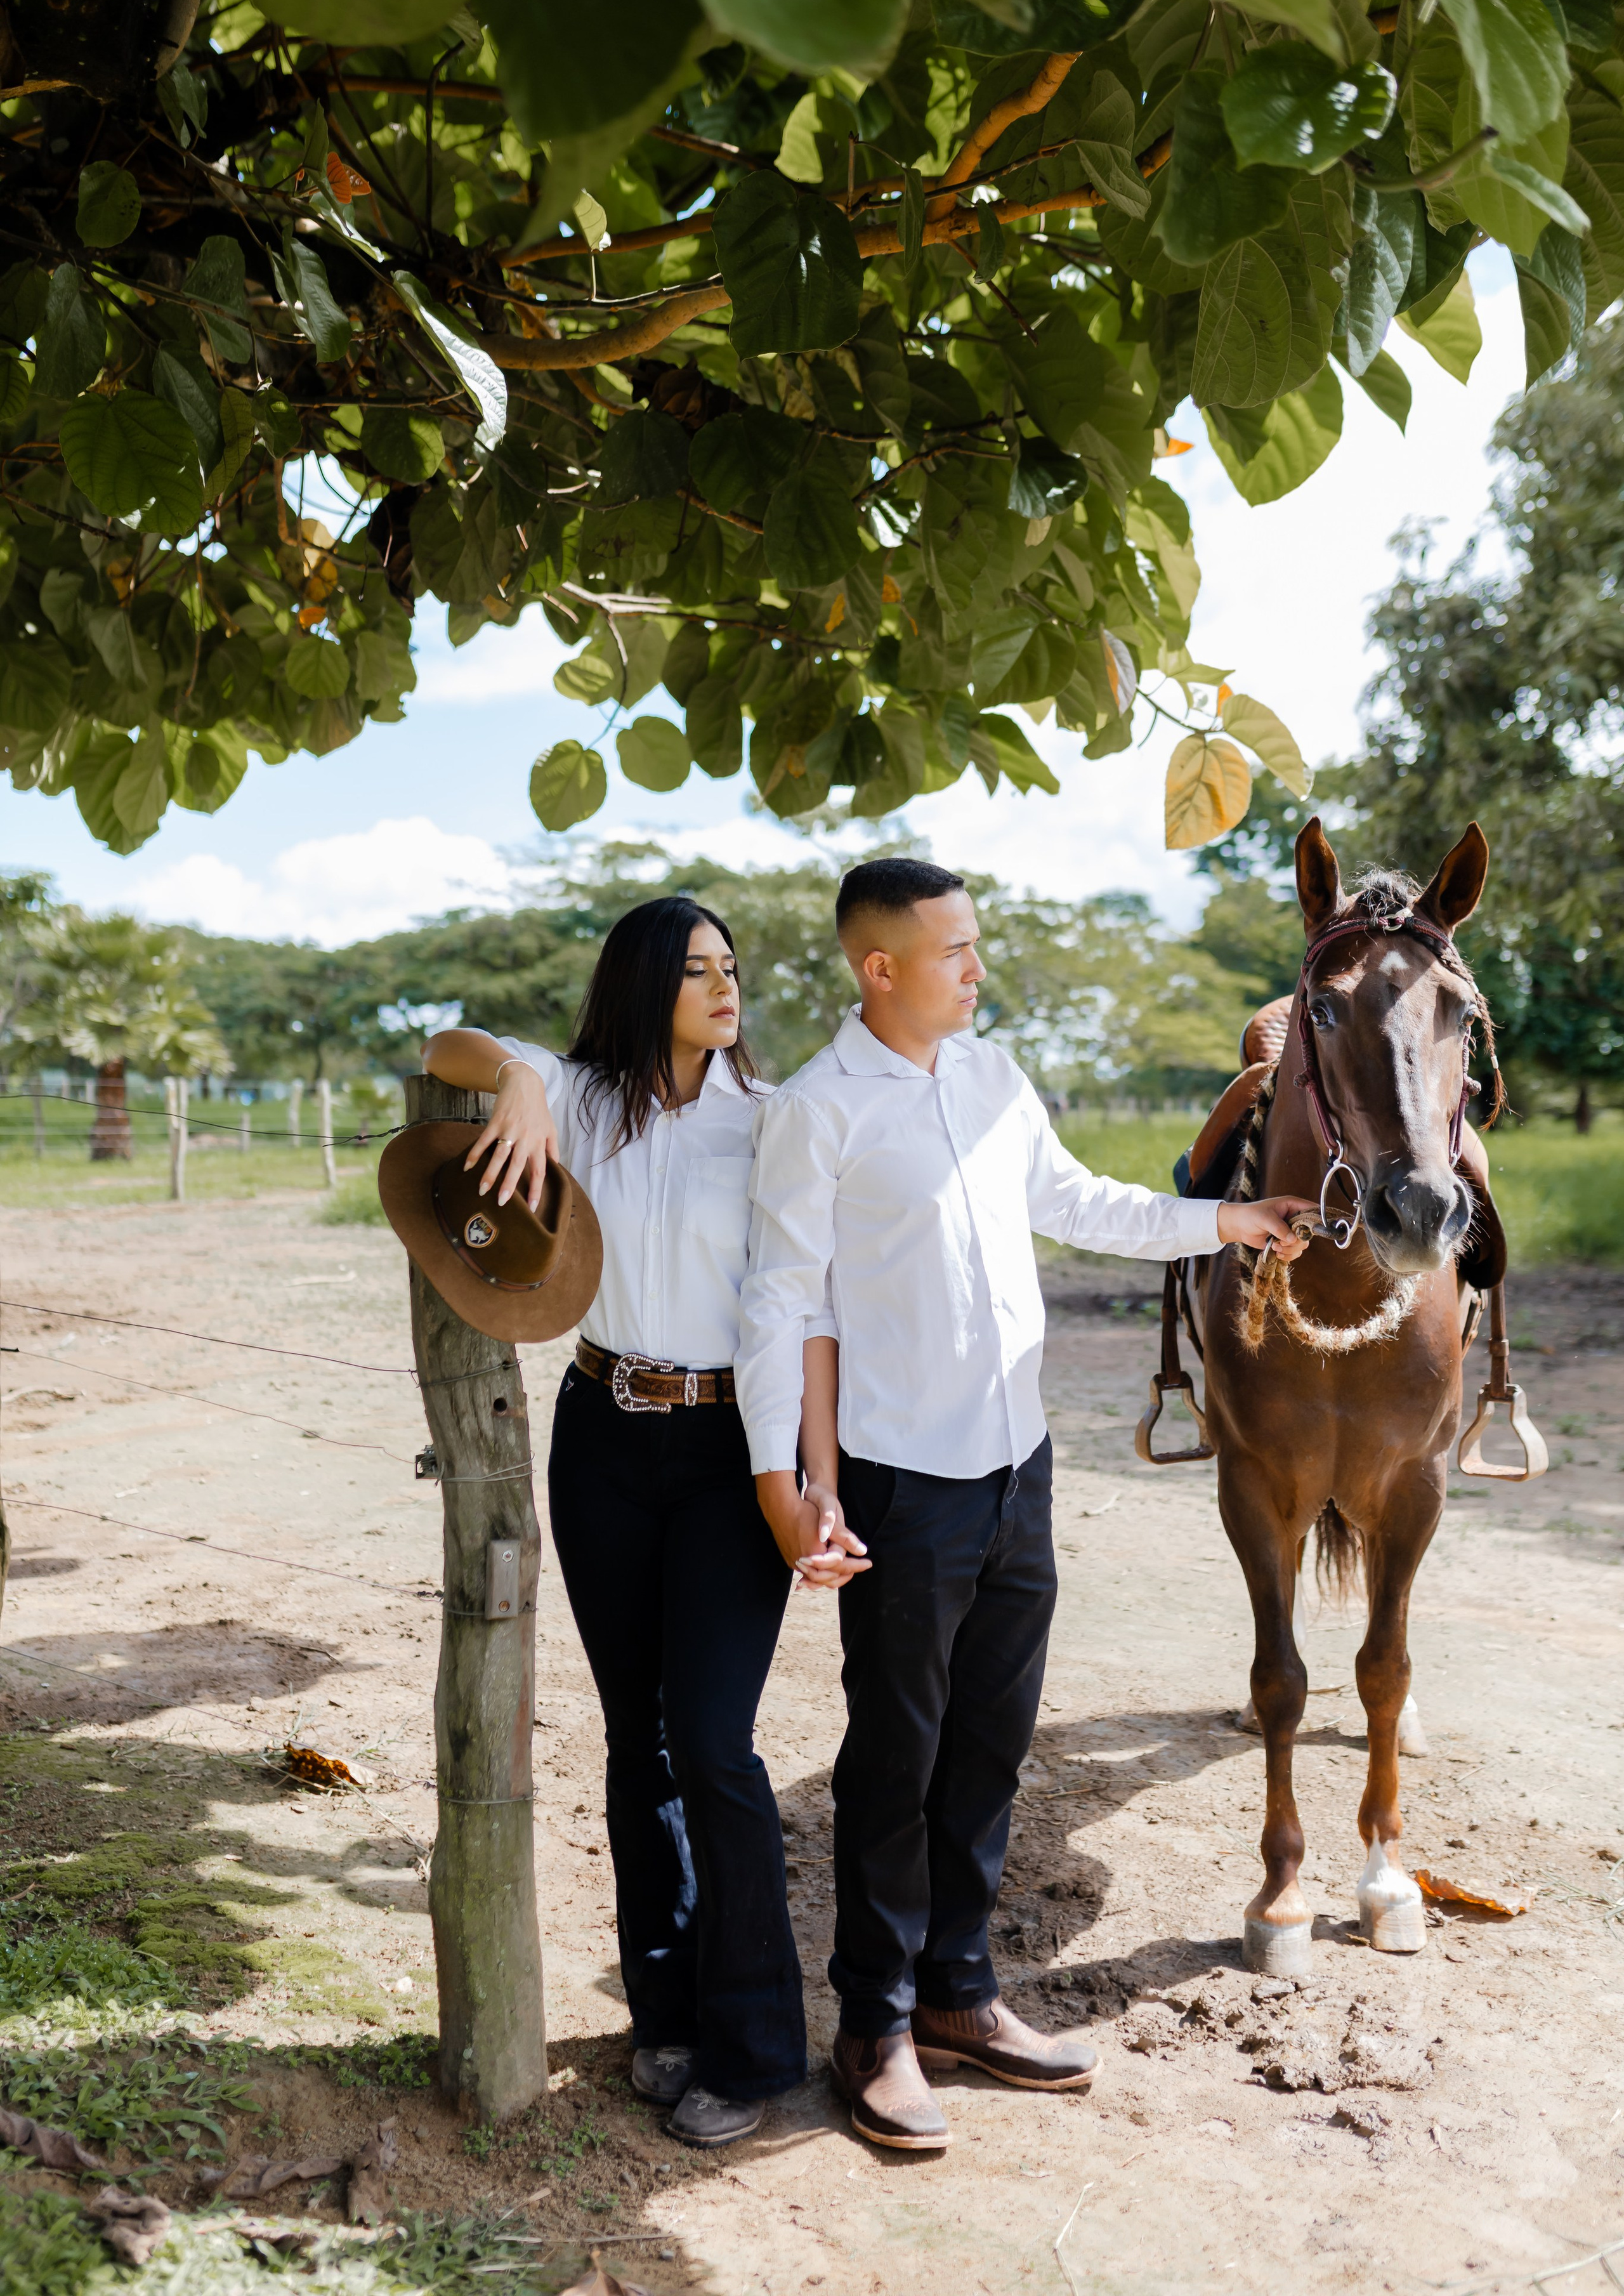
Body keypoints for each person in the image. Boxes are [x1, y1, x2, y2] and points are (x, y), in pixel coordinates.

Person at [735, 858, 1314, 2152]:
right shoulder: (815, 1110)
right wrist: (790, 1482)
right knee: (895, 1755)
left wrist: (1228, 1221)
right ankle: (872, 2026)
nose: (975, 968)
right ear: (875, 969)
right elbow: (780, 1303)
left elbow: (1073, 1202)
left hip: (1016, 1464)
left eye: (974, 945)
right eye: (952, 951)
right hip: (896, 1478)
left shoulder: (992, 1080)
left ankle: (958, 1996)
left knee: (991, 1747)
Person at [422, 896, 863, 2151]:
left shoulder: (774, 1124)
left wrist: (812, 1476)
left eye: (731, 968)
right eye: (694, 969)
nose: (724, 988)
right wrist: (513, 1076)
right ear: (640, 987)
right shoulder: (580, 1096)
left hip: (734, 1452)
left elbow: (810, 1312)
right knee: (636, 1740)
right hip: (602, 1432)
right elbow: (447, 1044)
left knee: (713, 1740)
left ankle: (760, 2046)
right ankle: (662, 2016)